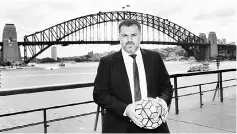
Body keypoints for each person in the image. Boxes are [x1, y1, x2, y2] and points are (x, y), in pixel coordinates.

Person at [93, 19, 173, 133]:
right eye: (125, 35)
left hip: (154, 125)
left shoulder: (154, 58)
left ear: (140, 36)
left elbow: (166, 87)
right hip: (120, 127)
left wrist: (163, 102)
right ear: (119, 37)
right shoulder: (107, 62)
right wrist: (125, 109)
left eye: (134, 35)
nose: (129, 40)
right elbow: (99, 94)